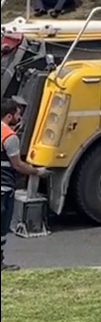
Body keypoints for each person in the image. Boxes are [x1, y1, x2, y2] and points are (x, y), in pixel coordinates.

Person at [2, 97, 49, 271]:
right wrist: (37, 172)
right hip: (3, 187)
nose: (19, 117)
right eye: (17, 114)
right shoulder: (9, 137)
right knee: (2, 228)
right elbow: (17, 165)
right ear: (9, 116)